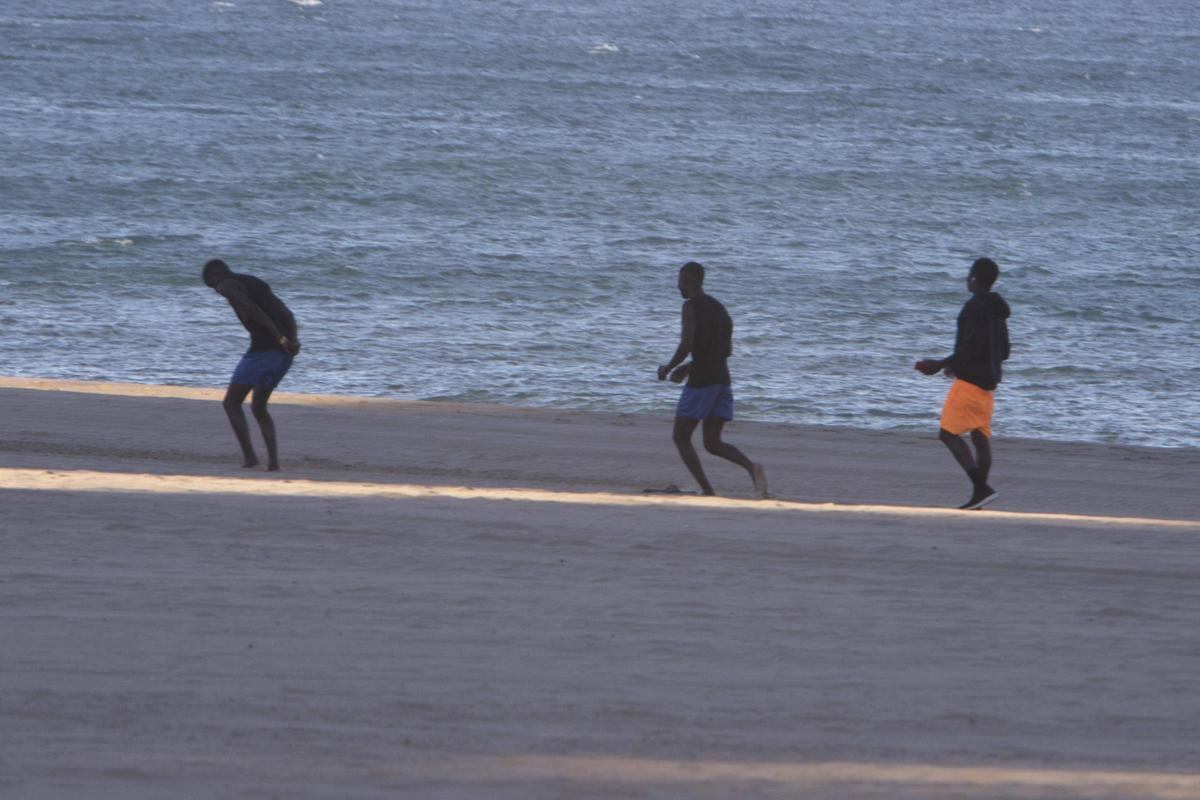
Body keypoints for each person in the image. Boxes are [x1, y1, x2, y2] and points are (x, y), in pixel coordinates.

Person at [657, 261, 767, 498]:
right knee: (712, 442)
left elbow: (686, 344)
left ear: (689, 280)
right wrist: (687, 367)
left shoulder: (691, 306)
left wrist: (669, 367)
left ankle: (707, 490)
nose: (679, 288)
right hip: (722, 381)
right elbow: (724, 350)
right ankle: (752, 467)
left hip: (702, 383)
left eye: (680, 281)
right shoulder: (720, 309)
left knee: (681, 436)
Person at [916, 257, 1011, 509]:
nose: (966, 278)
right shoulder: (998, 310)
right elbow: (1004, 352)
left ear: (974, 279)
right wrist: (956, 364)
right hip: (989, 385)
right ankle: (979, 498)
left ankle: (980, 489)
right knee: (980, 436)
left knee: (947, 434)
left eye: (969, 274)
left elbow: (971, 347)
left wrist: (939, 365)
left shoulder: (973, 308)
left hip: (969, 384)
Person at [202, 258, 300, 471]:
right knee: (258, 406)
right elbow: (287, 313)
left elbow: (254, 311)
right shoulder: (254, 283)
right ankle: (273, 462)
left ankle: (250, 458)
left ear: (217, 277)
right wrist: (292, 340)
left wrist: (279, 338)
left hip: (262, 352)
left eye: (213, 286)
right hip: (282, 356)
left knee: (231, 403)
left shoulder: (228, 285)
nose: (217, 292)